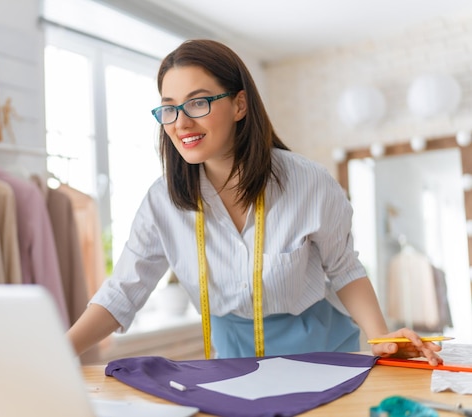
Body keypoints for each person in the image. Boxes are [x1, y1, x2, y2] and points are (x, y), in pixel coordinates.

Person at [67, 39, 442, 365]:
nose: (181, 123)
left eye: (198, 103)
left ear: (240, 105)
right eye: (170, 108)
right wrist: (59, 351)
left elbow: (344, 268)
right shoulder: (162, 201)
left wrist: (381, 337)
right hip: (232, 365)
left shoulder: (307, 181)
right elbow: (123, 293)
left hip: (326, 357)